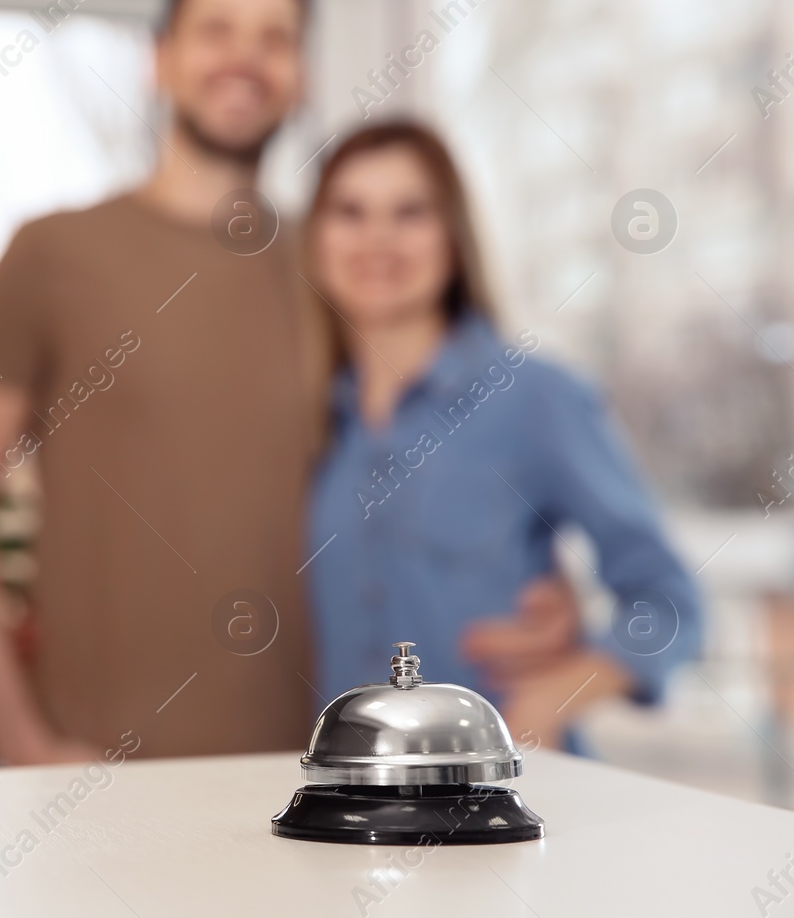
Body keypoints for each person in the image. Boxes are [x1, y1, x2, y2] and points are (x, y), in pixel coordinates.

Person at [0, 0, 584, 765]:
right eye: (217, 30)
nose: (245, 58)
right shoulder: (53, 255)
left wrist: (551, 601)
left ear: (299, 74)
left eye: (275, 38)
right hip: (97, 782)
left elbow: (435, 453)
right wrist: (18, 739)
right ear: (160, 60)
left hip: (315, 782)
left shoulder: (337, 269)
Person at [301, 121, 703, 746]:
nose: (377, 238)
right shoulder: (313, 422)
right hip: (363, 812)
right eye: (350, 212)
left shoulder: (534, 398)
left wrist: (559, 690)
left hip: (509, 808)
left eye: (410, 212)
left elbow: (670, 602)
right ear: (317, 242)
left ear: (454, 239)